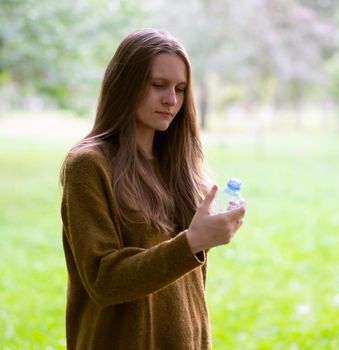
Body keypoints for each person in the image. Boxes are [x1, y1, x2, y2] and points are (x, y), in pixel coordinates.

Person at [60, 28, 246, 349]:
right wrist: (192, 241)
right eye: (158, 85)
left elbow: (187, 284)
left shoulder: (178, 166)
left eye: (181, 89)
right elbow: (103, 280)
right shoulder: (89, 166)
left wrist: (209, 231)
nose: (171, 100)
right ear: (125, 84)